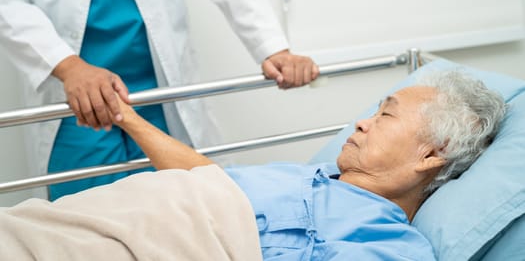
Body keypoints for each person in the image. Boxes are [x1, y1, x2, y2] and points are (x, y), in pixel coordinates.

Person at [0, 0, 319, 200]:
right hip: (76, 103)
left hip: (160, 94)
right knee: (88, 227)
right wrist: (69, 67)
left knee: (181, 216)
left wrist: (273, 47)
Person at [104, 70, 504, 259]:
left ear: (432, 155)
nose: (362, 122)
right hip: (124, 217)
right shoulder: (306, 177)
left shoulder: (387, 246)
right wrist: (124, 115)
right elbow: (205, 177)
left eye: (386, 116)